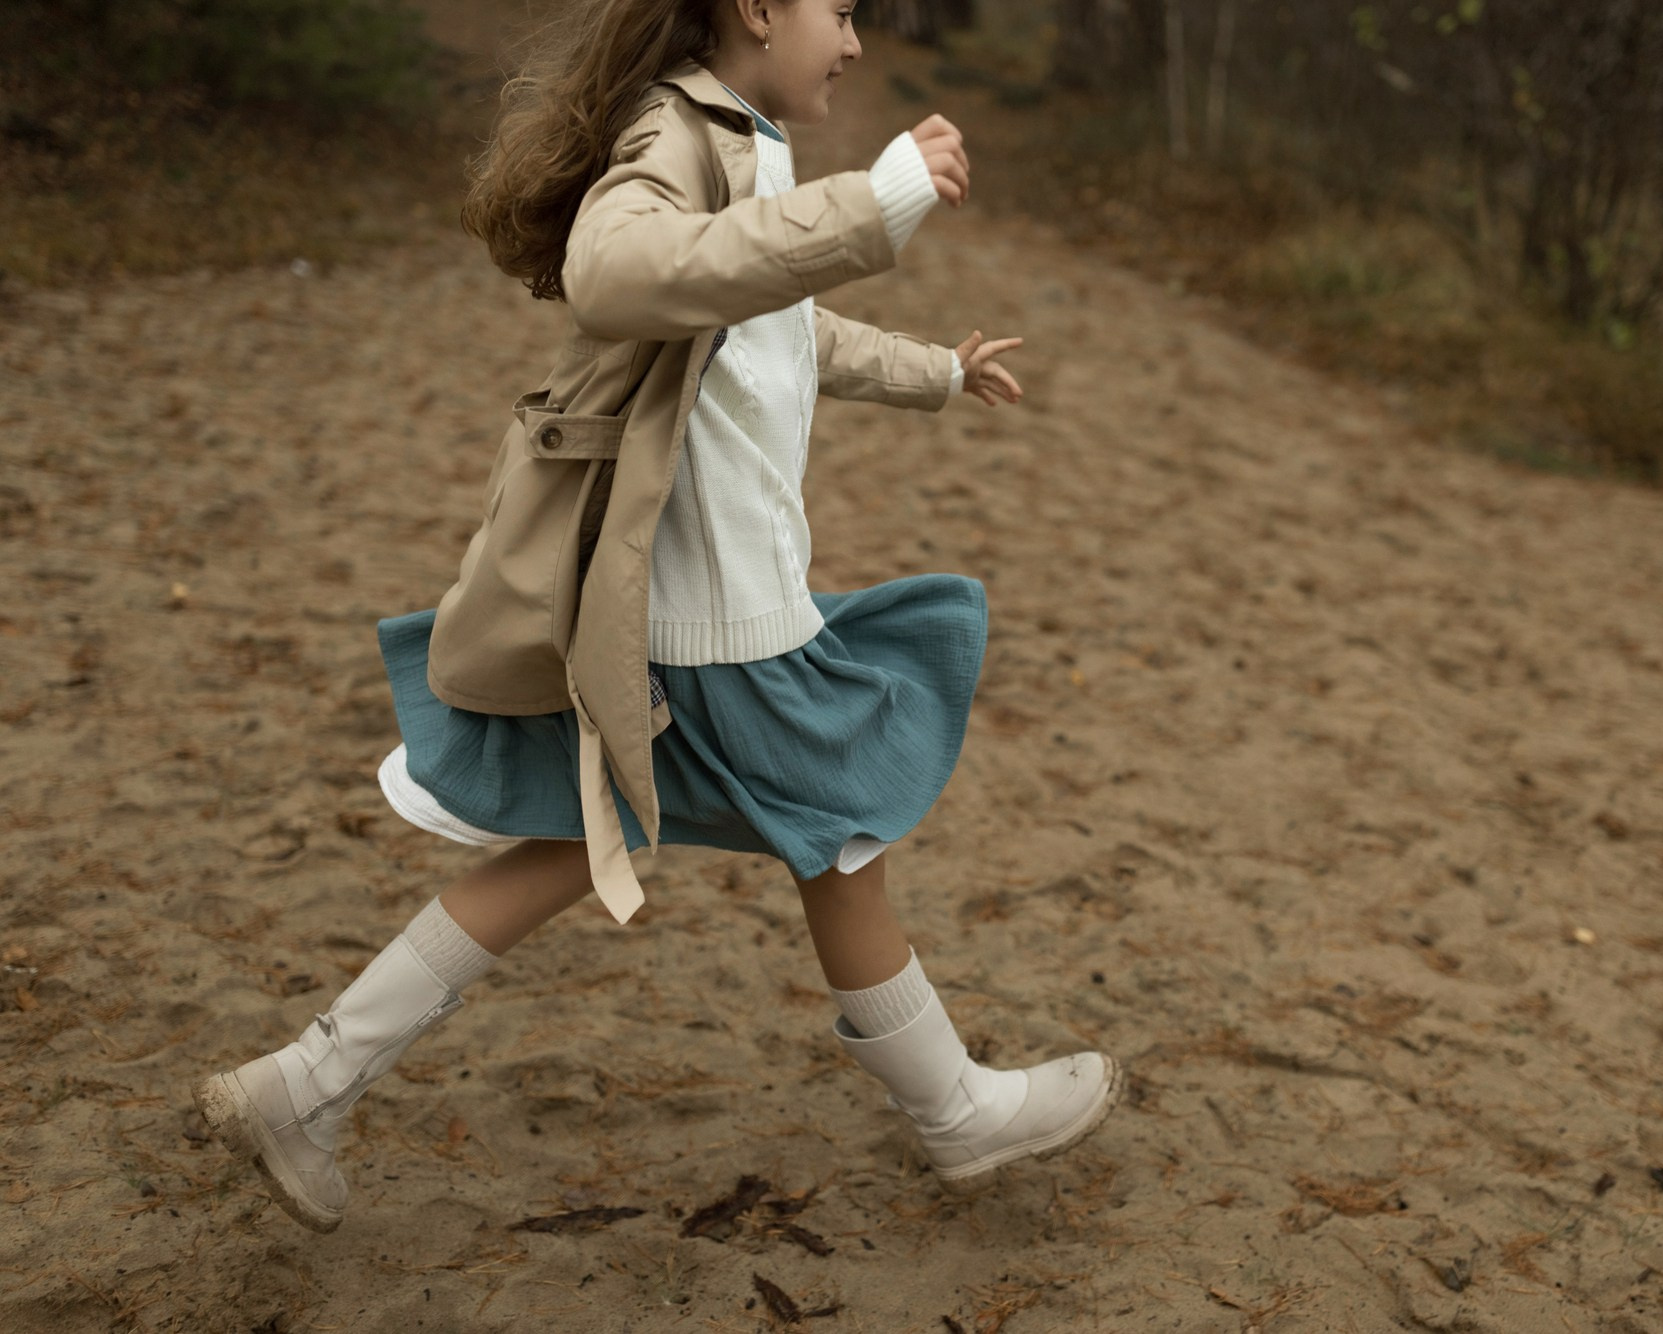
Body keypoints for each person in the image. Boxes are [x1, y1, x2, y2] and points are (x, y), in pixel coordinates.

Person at [190, 0, 1123, 1235]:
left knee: (584, 838)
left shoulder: (738, 133)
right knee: (842, 831)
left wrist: (929, 372)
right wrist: (875, 200)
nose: (850, 41)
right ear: (751, 9)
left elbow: (768, 322)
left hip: (698, 605)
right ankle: (953, 1109)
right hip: (713, 613)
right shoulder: (671, 136)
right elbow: (618, 274)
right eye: (835, 10)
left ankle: (302, 1082)